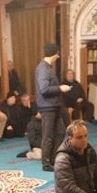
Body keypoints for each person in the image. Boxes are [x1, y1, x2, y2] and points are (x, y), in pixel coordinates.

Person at [35, 41, 71, 172]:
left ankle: (52, 158)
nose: (58, 56)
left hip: (54, 106)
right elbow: (44, 89)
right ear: (53, 54)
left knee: (61, 132)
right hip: (47, 107)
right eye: (57, 54)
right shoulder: (43, 69)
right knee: (48, 136)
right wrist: (60, 88)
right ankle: (46, 164)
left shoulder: (48, 67)